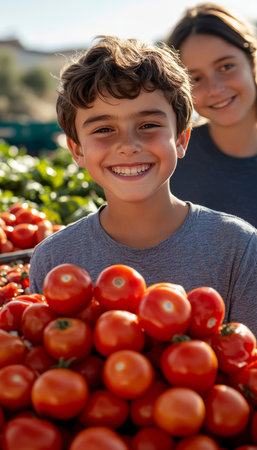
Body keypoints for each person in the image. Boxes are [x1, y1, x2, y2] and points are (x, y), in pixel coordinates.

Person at [29, 35, 257, 336]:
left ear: (181, 139)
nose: (128, 146)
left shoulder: (238, 247)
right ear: (78, 150)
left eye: (148, 125)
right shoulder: (53, 260)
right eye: (104, 129)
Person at [165, 3, 257, 228]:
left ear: (251, 61)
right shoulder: (171, 161)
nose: (215, 89)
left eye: (226, 67)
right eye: (196, 79)